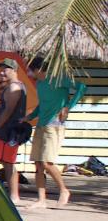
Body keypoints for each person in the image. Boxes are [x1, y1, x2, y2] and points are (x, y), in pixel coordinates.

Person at [28, 56, 85, 209]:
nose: (28, 73)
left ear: (38, 69)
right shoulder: (39, 83)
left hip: (54, 125)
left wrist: (68, 106)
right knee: (38, 163)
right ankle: (41, 200)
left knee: (47, 162)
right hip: (41, 125)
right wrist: (29, 117)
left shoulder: (58, 79)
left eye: (30, 70)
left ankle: (64, 190)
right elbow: (42, 104)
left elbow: (81, 87)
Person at [0, 59, 32, 204]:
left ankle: (14, 196)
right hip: (6, 131)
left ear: (14, 70)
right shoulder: (13, 87)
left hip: (10, 132)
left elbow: (8, 111)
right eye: (1, 69)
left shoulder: (14, 89)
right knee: (3, 161)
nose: (1, 72)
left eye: (5, 69)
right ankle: (13, 194)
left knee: (8, 162)